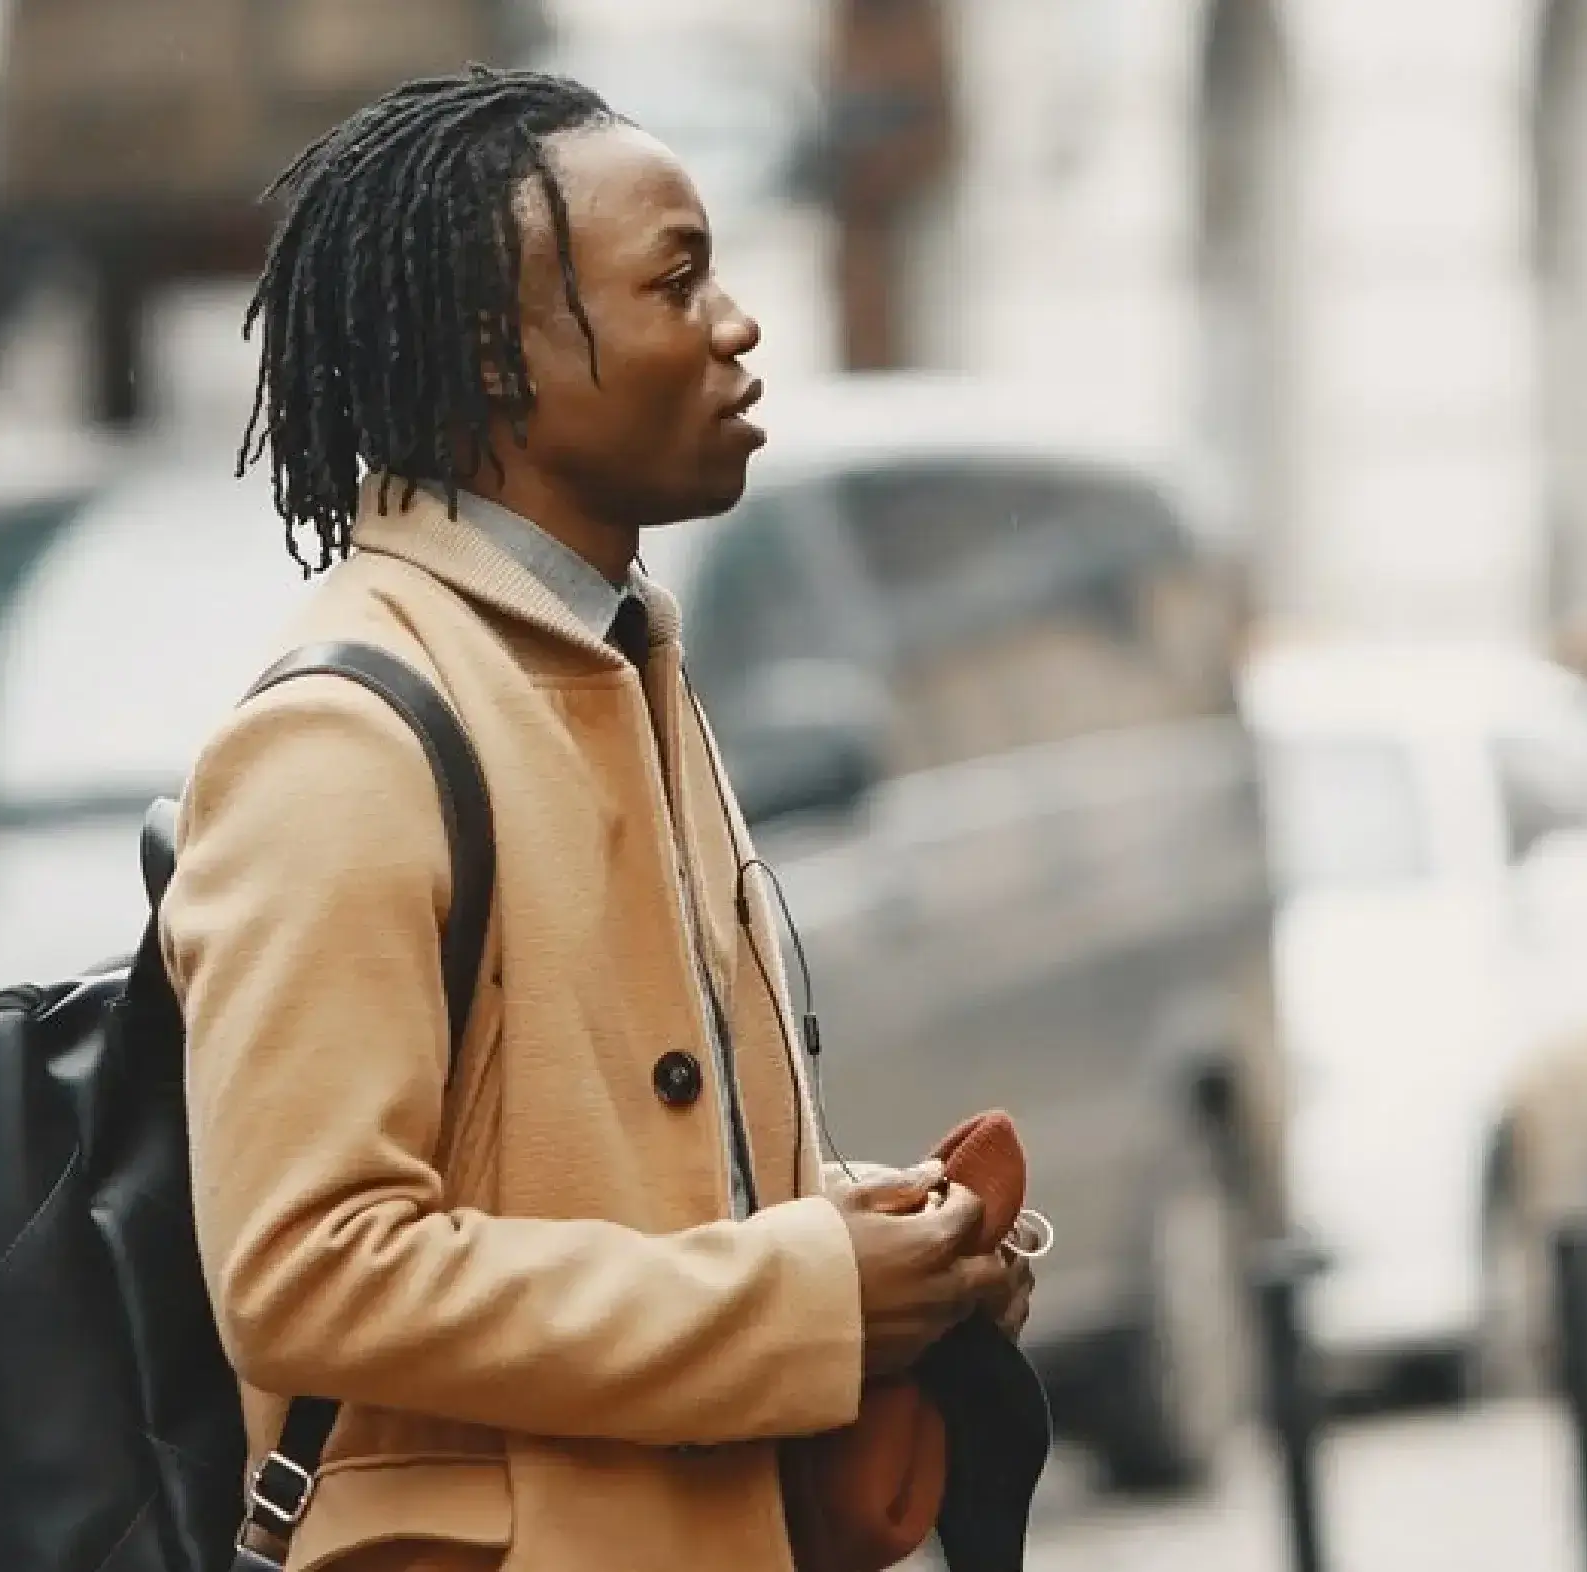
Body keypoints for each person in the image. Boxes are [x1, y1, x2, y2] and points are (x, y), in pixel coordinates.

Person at [161, 67, 1031, 1572]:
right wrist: (804, 1296)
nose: (737, 327)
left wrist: (882, 1247)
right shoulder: (344, 737)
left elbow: (623, 1180)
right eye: (677, 283)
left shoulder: (619, 664)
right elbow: (306, 1273)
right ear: (500, 355)